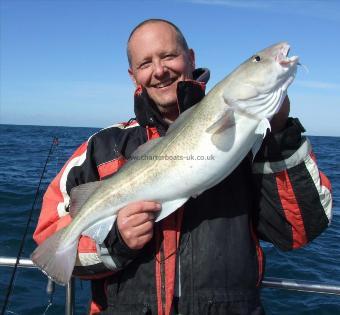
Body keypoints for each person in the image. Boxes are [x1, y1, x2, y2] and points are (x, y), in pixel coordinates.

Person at [33, 19, 333, 315]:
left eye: (168, 56)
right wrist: (116, 243)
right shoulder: (102, 147)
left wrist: (280, 134)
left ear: (191, 58)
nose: (159, 70)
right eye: (145, 63)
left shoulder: (257, 140)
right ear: (133, 75)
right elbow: (50, 239)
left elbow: (299, 232)